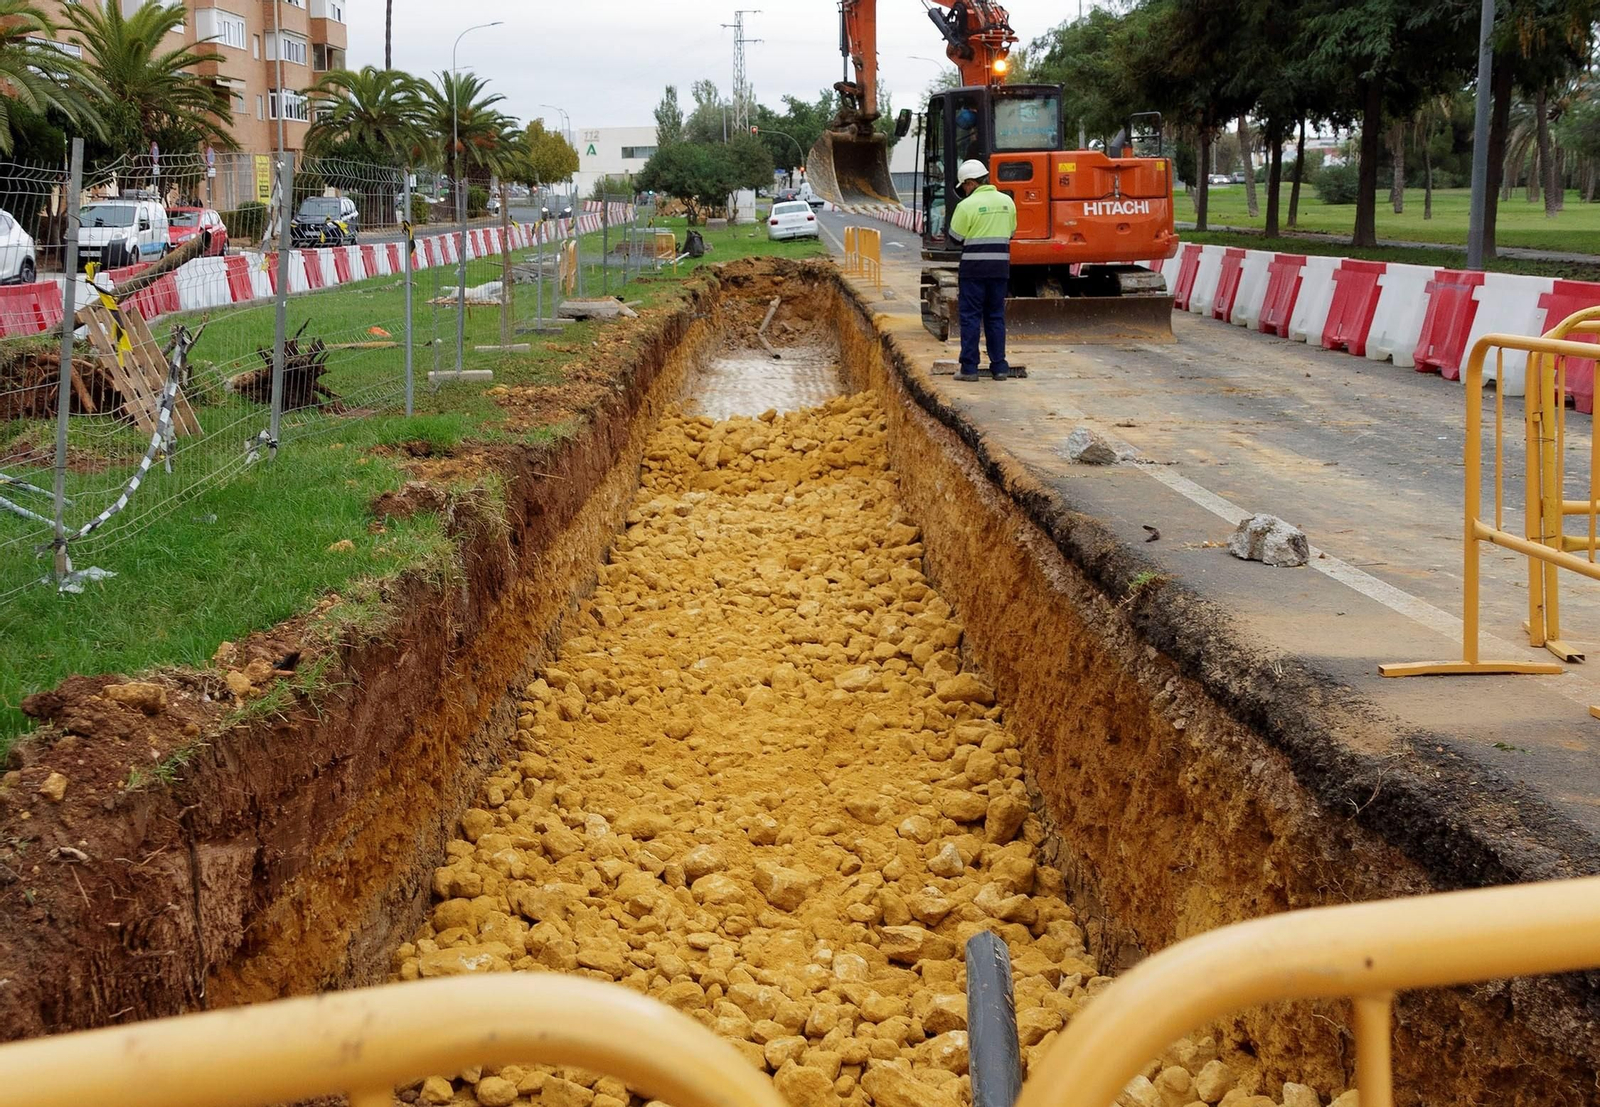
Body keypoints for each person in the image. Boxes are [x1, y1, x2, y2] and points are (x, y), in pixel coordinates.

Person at [946, 158, 1017, 381]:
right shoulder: (1007, 202)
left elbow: (955, 238)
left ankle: (969, 368)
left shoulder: (966, 205)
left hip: (973, 271)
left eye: (964, 186)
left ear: (969, 183)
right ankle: (1000, 367)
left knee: (970, 318)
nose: (965, 190)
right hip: (1000, 270)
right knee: (995, 317)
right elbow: (1011, 232)